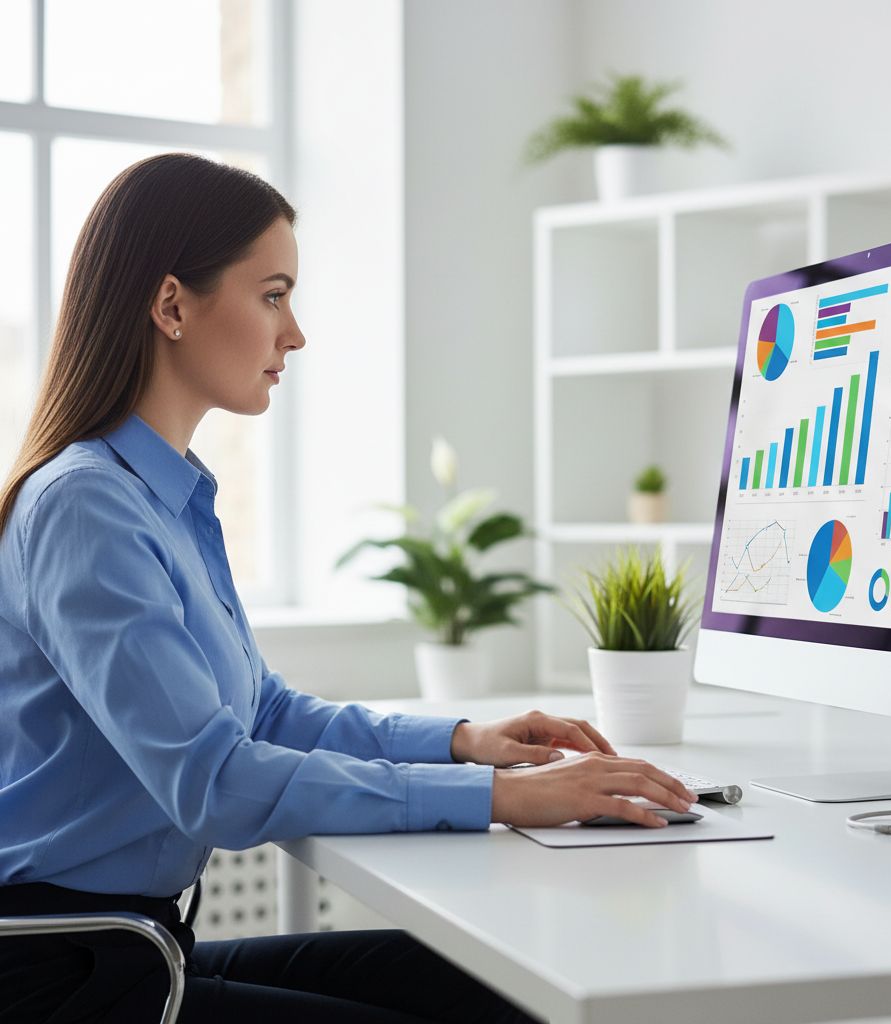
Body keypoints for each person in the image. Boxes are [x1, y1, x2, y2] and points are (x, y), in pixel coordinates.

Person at [0, 153, 697, 1023]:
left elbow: (264, 715)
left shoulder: (164, 497)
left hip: (134, 951)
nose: (294, 334)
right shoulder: (85, 507)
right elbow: (211, 781)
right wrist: (501, 798)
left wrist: (465, 743)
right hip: (66, 980)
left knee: (490, 985)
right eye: (273, 295)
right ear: (171, 305)